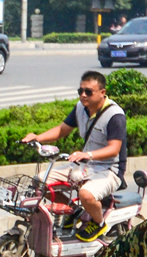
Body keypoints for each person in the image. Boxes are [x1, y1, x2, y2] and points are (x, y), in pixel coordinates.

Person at [20, 70, 128, 240]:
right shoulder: (81, 108)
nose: (83, 95)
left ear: (102, 93)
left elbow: (114, 149)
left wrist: (87, 154)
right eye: (80, 91)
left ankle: (99, 223)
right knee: (40, 181)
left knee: (86, 194)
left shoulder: (115, 115)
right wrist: (37, 137)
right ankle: (75, 210)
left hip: (109, 169)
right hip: (85, 164)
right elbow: (62, 130)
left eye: (88, 92)